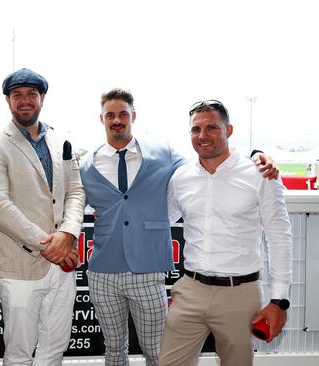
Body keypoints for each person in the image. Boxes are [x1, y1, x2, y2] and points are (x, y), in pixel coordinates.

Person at [79, 89, 280, 366]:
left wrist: (256, 154)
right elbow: (74, 200)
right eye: (110, 115)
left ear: (133, 116)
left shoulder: (165, 154)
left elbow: (211, 160)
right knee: (115, 350)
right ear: (101, 119)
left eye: (123, 113)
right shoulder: (87, 163)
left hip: (148, 270)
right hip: (104, 267)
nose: (117, 120)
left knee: (156, 350)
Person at [158, 100, 292, 365]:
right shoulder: (181, 177)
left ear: (229, 130)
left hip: (239, 295)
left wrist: (280, 301)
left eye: (212, 128)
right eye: (196, 129)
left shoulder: (260, 174)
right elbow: (161, 219)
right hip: (190, 291)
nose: (202, 136)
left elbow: (279, 238)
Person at [0, 68, 85, 365]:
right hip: (19, 265)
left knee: (55, 346)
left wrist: (69, 233)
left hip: (62, 262)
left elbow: (75, 192)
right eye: (17, 95)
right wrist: (48, 245)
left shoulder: (61, 140)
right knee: (20, 351)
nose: (24, 101)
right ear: (8, 101)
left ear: (42, 98)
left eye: (31, 95)